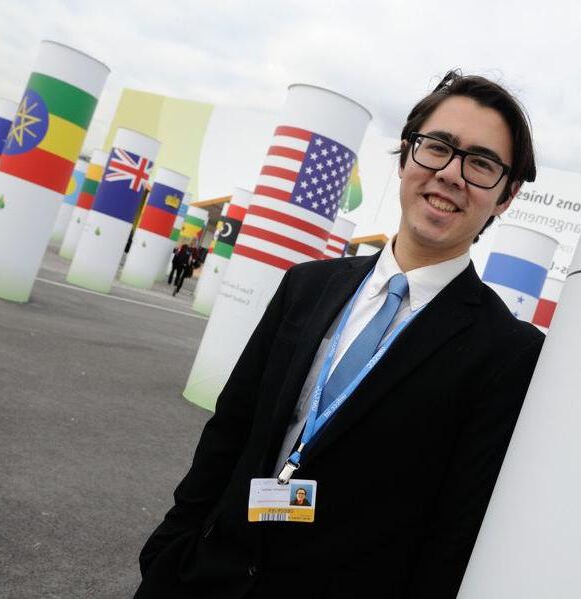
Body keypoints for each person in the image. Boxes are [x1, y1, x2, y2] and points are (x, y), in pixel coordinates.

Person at [136, 70, 543, 599]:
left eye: (481, 163)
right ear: (405, 157)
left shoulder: (507, 352)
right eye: (438, 147)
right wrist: (170, 550)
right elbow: (232, 428)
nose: (450, 173)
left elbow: (455, 530)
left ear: (506, 196)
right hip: (208, 575)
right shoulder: (307, 287)